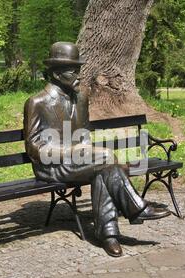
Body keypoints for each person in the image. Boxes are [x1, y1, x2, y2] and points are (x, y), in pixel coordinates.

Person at [23, 42, 170, 257]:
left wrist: (84, 149)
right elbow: (34, 147)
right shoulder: (37, 102)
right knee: (107, 160)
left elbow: (83, 135)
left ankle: (108, 235)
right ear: (56, 73)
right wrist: (71, 152)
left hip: (81, 162)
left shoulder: (81, 99)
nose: (80, 76)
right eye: (74, 71)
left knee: (105, 167)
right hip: (51, 167)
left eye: (79, 70)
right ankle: (136, 209)